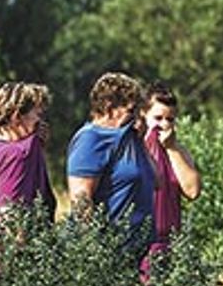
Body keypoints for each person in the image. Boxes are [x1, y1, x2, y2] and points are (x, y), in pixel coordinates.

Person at [66, 72, 156, 255]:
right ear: (109, 107)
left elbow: (157, 180)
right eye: (131, 110)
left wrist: (141, 141)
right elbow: (81, 201)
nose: (136, 116)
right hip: (107, 254)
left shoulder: (130, 136)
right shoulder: (90, 139)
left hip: (133, 252)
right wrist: (96, 252)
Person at [0, 81, 54, 245]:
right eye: (37, 115)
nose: (41, 123)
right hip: (5, 261)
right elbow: (13, 223)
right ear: (17, 116)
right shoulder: (15, 156)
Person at [140, 82, 201, 260]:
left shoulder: (179, 151)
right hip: (140, 241)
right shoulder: (135, 148)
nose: (164, 125)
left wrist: (171, 148)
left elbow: (192, 191)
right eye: (158, 118)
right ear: (144, 114)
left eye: (170, 119)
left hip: (170, 243)